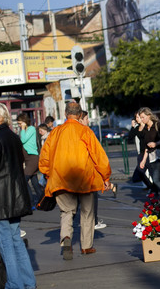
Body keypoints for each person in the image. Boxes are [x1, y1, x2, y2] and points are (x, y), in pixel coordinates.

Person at [39, 102, 112, 260]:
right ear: (79, 115)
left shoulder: (55, 133)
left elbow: (44, 157)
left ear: (66, 114)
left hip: (60, 179)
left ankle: (66, 238)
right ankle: (86, 246)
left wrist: (47, 174)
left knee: (66, 212)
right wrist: (105, 176)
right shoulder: (85, 131)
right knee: (87, 213)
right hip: (84, 180)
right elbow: (98, 156)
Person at [0, 103, 36, 289]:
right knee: (16, 241)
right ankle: (28, 282)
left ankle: (14, 283)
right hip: (15, 198)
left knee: (6, 244)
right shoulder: (13, 137)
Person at [136, 107, 160, 209]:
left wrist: (156, 143)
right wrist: (143, 160)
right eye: (140, 117)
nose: (142, 119)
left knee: (156, 179)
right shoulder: (145, 129)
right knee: (158, 180)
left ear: (149, 116)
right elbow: (145, 147)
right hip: (152, 157)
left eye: (143, 117)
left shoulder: (157, 125)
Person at [17, 112, 43, 207]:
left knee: (23, 180)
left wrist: (23, 129)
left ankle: (30, 202)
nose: (19, 125)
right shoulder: (25, 130)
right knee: (35, 183)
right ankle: (42, 201)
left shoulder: (31, 129)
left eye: (20, 123)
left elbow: (23, 140)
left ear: (24, 122)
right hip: (28, 159)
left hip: (32, 158)